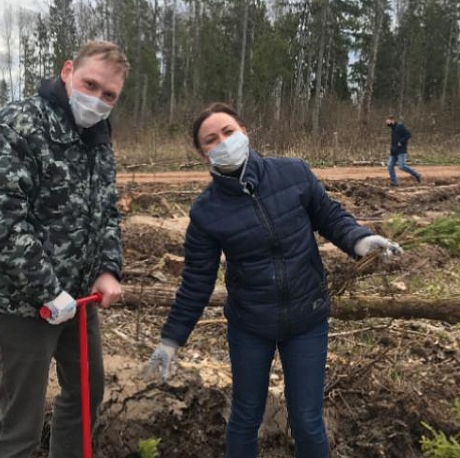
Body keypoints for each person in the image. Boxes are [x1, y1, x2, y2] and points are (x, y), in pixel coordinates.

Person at [144, 103, 403, 458]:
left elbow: (329, 216)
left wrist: (360, 240)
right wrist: (170, 340)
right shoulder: (206, 212)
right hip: (250, 326)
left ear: (245, 132)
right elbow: (196, 281)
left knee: (308, 420)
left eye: (228, 132)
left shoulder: (293, 173)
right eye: (211, 140)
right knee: (246, 416)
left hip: (307, 319)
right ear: (203, 154)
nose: (222, 142)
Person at [0, 40, 129, 458]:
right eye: (90, 84)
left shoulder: (98, 137)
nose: (97, 99)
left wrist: (109, 268)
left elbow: (106, 209)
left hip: (79, 299)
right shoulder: (16, 125)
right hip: (23, 303)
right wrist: (46, 289)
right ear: (67, 71)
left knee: (86, 396)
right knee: (20, 422)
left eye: (108, 94)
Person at [385, 115, 421, 186]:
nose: (386, 123)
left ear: (392, 120)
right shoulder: (393, 128)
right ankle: (394, 182)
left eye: (388, 121)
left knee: (402, 166)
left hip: (401, 151)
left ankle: (416, 175)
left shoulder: (400, 126)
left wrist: (401, 142)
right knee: (390, 165)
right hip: (394, 151)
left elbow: (408, 134)